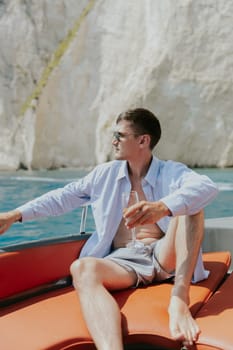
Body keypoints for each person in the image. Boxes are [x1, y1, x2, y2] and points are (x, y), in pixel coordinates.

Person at [0, 108, 218, 349]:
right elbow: (62, 198)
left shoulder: (170, 172)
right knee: (82, 268)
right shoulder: (104, 175)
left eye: (120, 135)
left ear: (143, 141)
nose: (113, 141)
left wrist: (163, 207)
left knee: (192, 206)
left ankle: (179, 301)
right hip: (124, 261)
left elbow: (205, 187)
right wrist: (14, 215)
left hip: (164, 255)